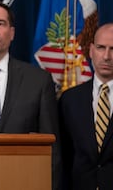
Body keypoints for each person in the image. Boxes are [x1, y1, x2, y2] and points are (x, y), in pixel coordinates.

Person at [0, 0, 60, 189]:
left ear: (12, 33)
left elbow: (51, 147)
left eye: (1, 23)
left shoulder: (38, 80)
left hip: (21, 179)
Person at [59, 23, 113, 190]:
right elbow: (64, 156)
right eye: (100, 47)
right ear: (90, 50)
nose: (106, 56)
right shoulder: (70, 99)